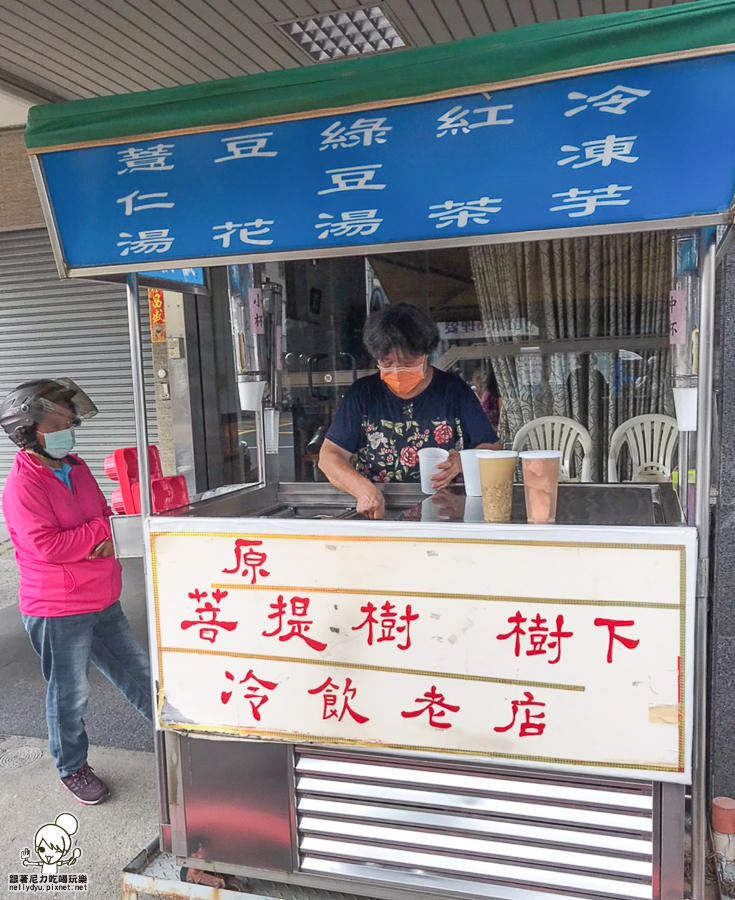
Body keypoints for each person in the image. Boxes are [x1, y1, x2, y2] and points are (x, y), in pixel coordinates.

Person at [0, 379, 153, 806]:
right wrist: (100, 534)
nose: (70, 423)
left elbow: (103, 515)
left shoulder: (77, 466)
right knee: (70, 694)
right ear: (29, 429)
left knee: (140, 675)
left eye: (70, 417)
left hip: (102, 597)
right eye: (60, 419)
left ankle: (178, 740)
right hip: (58, 608)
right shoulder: (22, 485)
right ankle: (71, 767)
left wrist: (98, 533)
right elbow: (48, 546)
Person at [319, 304, 502, 518]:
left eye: (408, 362)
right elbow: (329, 456)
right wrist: (361, 489)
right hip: (380, 510)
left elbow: (494, 450)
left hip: (445, 511)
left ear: (426, 354)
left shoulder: (454, 392)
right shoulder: (364, 394)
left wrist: (463, 460)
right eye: (387, 363)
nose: (397, 370)